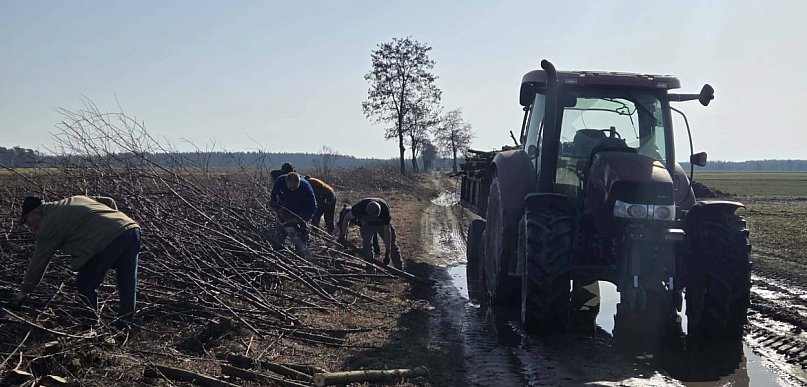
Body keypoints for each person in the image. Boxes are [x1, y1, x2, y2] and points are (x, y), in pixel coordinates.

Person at [14, 195, 141, 324]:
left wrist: (23, 292)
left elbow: (39, 263)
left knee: (86, 284)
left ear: (35, 212)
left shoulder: (48, 224)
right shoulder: (74, 199)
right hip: (130, 229)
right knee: (127, 282)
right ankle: (127, 324)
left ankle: (89, 326)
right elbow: (109, 201)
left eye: (29, 223)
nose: (31, 228)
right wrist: (110, 224)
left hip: (110, 239)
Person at [338, 198, 402, 269]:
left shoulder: (384, 210)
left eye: (375, 217)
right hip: (366, 224)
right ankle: (370, 269)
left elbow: (387, 232)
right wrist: (343, 235)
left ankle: (399, 268)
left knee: (392, 244)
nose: (373, 219)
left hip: (380, 224)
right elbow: (346, 218)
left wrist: (387, 252)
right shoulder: (360, 207)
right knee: (367, 246)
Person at [269, 172, 317, 256]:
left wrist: (301, 219)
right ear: (286, 182)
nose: (292, 190)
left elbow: (313, 207)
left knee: (301, 238)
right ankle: (279, 255)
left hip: (301, 212)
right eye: (290, 187)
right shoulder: (279, 181)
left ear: (299, 182)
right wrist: (278, 209)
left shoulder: (306, 187)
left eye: (295, 187)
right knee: (278, 236)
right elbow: (273, 198)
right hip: (285, 210)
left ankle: (302, 257)